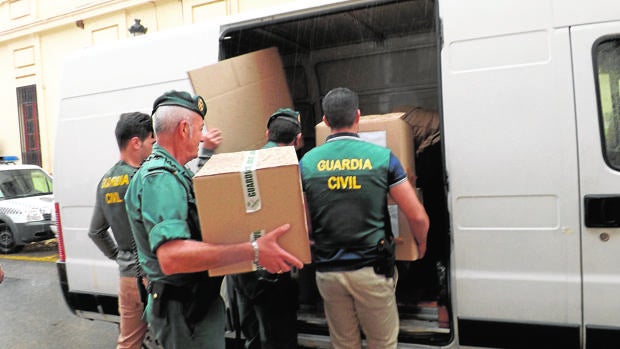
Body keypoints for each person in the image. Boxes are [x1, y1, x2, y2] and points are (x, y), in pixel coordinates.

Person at [124, 90, 304, 349]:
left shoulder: (176, 173)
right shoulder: (161, 179)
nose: (202, 138)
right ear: (184, 129)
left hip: (193, 305)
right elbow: (172, 256)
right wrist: (252, 250)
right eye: (200, 129)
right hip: (184, 311)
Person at [299, 87, 429, 349]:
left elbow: (305, 224)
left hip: (328, 273)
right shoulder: (382, 159)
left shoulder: (307, 163)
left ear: (325, 121)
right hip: (372, 270)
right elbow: (418, 217)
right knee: (382, 343)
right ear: (358, 116)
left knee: (344, 344)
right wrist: (421, 245)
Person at [229, 108, 303, 349]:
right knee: (279, 338)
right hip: (275, 269)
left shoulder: (240, 165)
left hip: (242, 267)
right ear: (298, 139)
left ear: (266, 134)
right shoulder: (292, 168)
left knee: (253, 336)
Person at [88, 112, 155, 349]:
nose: (154, 147)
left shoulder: (106, 181)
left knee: (129, 342)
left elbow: (95, 231)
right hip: (153, 275)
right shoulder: (146, 178)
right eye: (151, 141)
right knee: (171, 337)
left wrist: (119, 256)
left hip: (127, 277)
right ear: (136, 142)